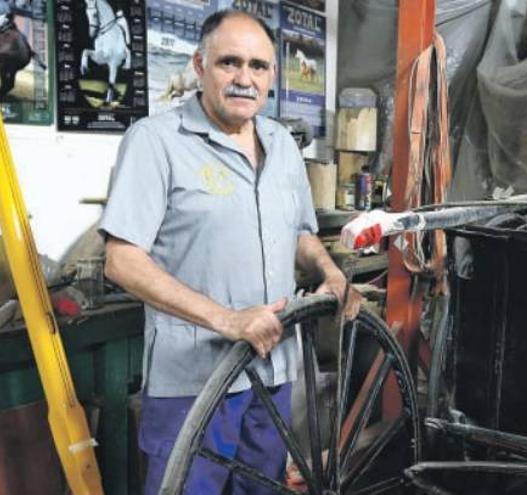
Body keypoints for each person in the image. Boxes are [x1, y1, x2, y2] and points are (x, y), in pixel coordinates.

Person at [100, 9, 361, 493]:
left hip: (274, 373)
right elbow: (122, 260)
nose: (245, 79)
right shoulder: (156, 142)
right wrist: (227, 319)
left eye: (258, 66)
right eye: (229, 63)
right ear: (200, 65)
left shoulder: (282, 144)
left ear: (273, 75)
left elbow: (300, 237)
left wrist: (330, 272)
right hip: (194, 382)